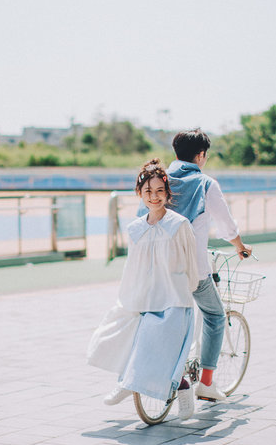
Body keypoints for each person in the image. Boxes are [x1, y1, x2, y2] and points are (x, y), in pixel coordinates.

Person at [87, 158, 200, 420]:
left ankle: (177, 389)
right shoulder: (136, 229)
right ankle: (128, 382)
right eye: (148, 191)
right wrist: (128, 300)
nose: (154, 197)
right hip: (145, 297)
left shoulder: (179, 225)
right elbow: (132, 269)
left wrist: (188, 290)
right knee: (121, 335)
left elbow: (191, 263)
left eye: (160, 191)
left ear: (167, 193)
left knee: (158, 344)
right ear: (139, 194)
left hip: (174, 298)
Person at [164, 128, 252, 402]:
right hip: (194, 267)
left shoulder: (161, 179)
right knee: (214, 317)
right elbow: (226, 225)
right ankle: (206, 383)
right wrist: (240, 247)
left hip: (159, 265)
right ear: (201, 155)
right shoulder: (205, 183)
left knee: (166, 316)